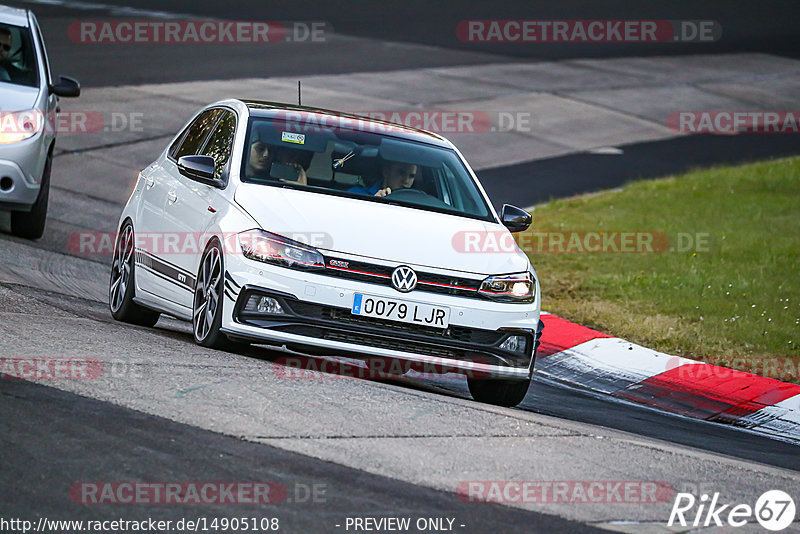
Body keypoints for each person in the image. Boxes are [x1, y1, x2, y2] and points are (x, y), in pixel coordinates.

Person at [349, 160, 417, 197]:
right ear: (386, 172)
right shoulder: (357, 193)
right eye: (401, 173)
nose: (406, 181)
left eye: (411, 176)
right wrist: (373, 203)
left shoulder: (419, 203)